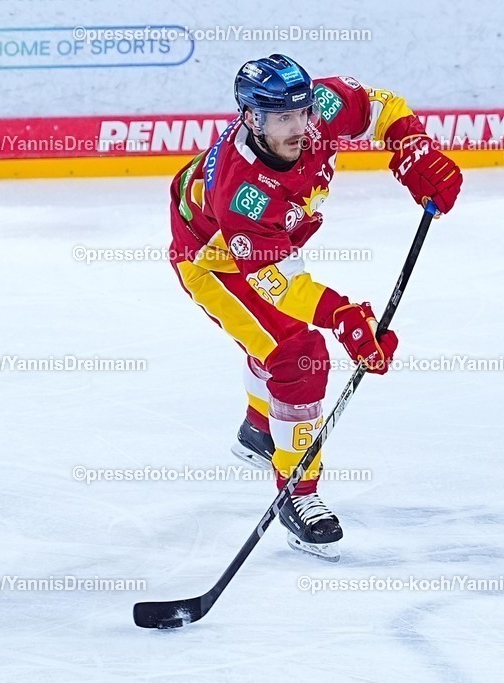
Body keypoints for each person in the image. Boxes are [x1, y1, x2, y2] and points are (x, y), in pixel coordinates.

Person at [168, 53, 462, 560]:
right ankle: (298, 494)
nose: (300, 128)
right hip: (213, 258)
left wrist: (412, 147)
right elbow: (275, 282)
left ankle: (261, 428)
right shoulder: (243, 191)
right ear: (251, 118)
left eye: (302, 113)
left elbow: (377, 104)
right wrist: (342, 317)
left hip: (268, 245)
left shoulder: (314, 110)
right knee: (299, 354)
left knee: (281, 347)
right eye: (283, 119)